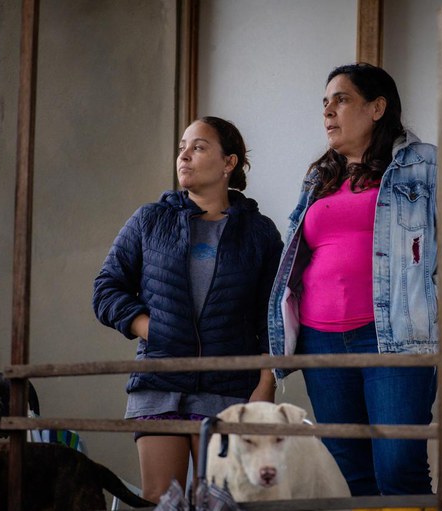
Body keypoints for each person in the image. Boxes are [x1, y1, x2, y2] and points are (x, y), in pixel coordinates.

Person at [267, 63, 442, 496]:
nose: (328, 111)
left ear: (377, 108)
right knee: (349, 472)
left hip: (393, 340)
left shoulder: (424, 164)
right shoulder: (318, 178)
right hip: (320, 342)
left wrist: (432, 302)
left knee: (399, 467)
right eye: (325, 103)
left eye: (342, 99)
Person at [93, 116, 282, 503]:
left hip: (228, 389)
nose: (184, 155)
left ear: (228, 162)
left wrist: (267, 383)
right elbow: (106, 288)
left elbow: (274, 316)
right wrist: (150, 328)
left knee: (222, 500)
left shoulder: (260, 232)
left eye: (198, 147)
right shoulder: (150, 220)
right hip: (159, 384)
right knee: (162, 499)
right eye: (182, 147)